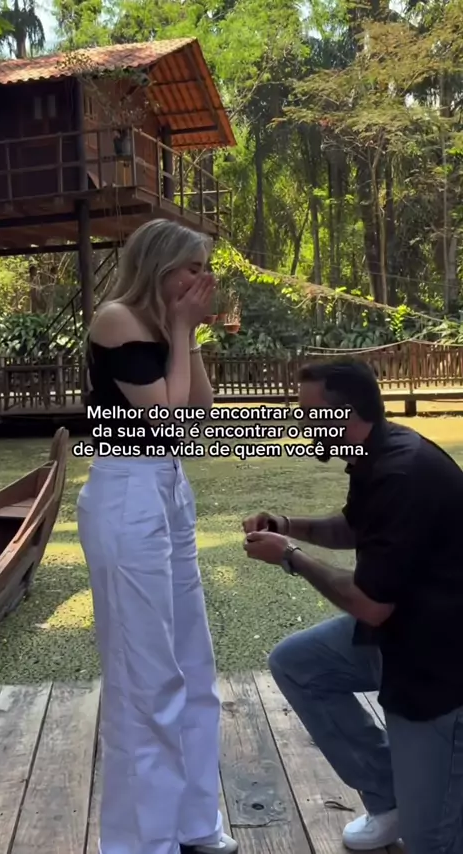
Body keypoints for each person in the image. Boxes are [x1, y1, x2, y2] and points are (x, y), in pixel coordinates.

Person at [242, 358, 463, 854]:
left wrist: (291, 557)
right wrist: (287, 525)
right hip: (403, 634)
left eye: (309, 413)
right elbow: (355, 526)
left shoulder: (402, 473)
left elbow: (370, 605)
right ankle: (392, 797)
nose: (301, 424)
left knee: (432, 841)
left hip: (441, 667)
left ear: (343, 414)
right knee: (298, 664)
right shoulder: (374, 453)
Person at [77, 219, 237, 854]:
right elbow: (166, 419)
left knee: (193, 665)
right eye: (193, 268)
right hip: (126, 493)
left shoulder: (168, 328)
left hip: (168, 488)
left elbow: (198, 416)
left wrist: (185, 334)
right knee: (143, 678)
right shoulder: (117, 319)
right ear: (161, 266)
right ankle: (142, 842)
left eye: (204, 268)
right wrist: (181, 329)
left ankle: (194, 821)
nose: (202, 279)